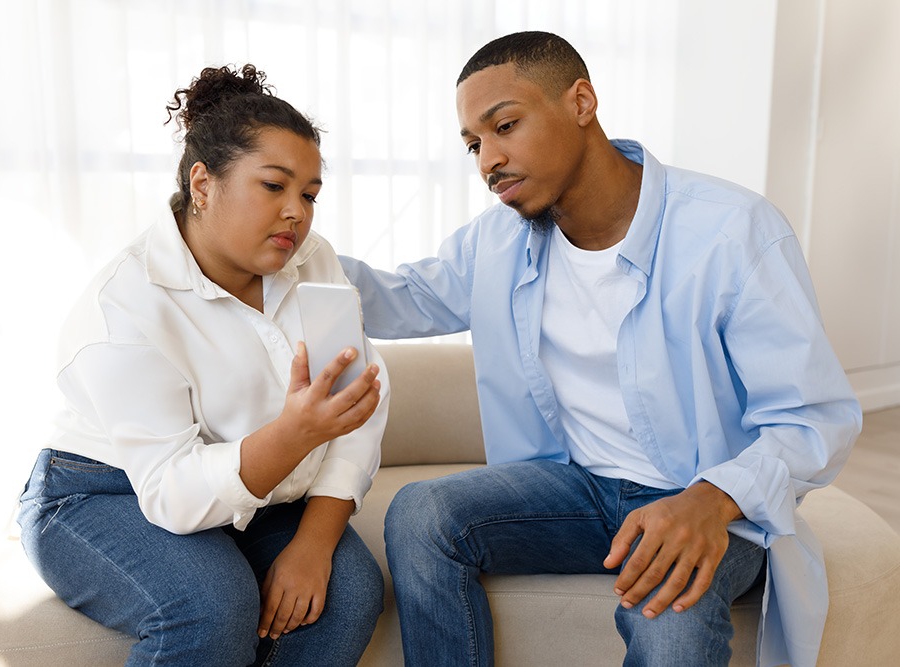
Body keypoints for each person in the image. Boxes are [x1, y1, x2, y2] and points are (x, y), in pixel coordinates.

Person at [339, 31, 861, 667]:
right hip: (576, 489)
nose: (487, 161)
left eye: (505, 126)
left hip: (705, 500)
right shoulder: (499, 239)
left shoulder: (732, 231)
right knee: (421, 513)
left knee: (672, 611)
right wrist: (283, 245)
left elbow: (815, 419)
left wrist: (708, 502)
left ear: (581, 101)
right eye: (474, 144)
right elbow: (403, 296)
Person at [17, 64, 389, 667]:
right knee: (211, 606)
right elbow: (172, 492)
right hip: (105, 490)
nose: (298, 212)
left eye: (311, 195)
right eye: (275, 186)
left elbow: (360, 401)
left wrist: (315, 544)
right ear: (203, 183)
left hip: (257, 489)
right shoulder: (125, 303)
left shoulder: (313, 260)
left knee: (347, 594)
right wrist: (298, 433)